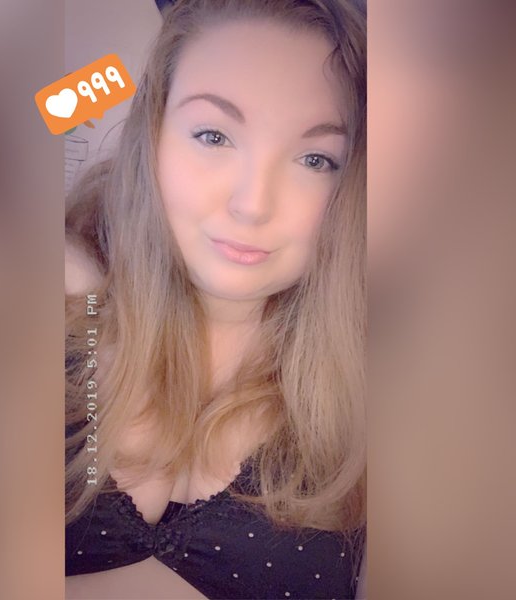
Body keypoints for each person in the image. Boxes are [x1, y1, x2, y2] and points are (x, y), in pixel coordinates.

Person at [65, 0, 366, 598]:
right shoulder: (45, 321)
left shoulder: (378, 397)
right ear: (152, 134)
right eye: (213, 135)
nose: (252, 204)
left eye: (315, 159)